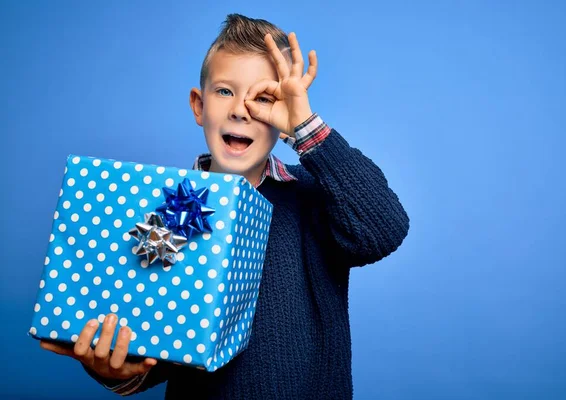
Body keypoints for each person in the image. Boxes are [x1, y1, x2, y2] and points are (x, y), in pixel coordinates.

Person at [40, 13, 410, 399]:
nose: (240, 110)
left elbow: (382, 228)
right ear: (199, 106)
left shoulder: (316, 193)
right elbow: (158, 341)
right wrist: (118, 371)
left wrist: (303, 125)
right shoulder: (166, 212)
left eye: (263, 97)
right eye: (225, 92)